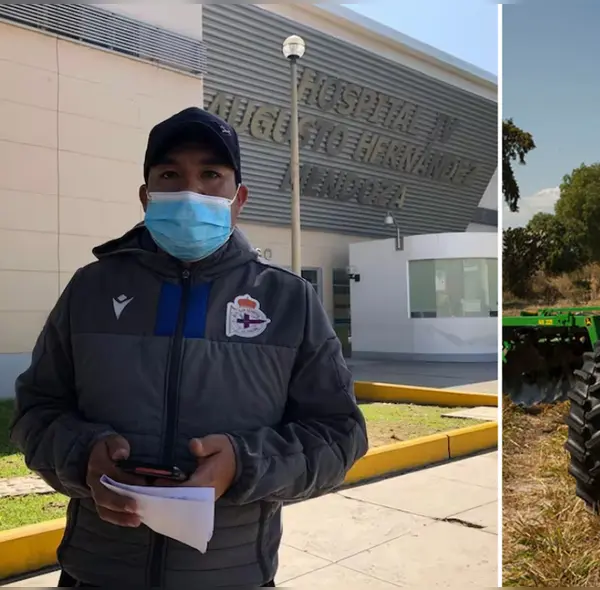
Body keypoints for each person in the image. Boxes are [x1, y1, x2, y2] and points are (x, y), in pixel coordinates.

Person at [9, 107, 369, 587]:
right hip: (97, 572)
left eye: (211, 175)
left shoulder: (288, 300)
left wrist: (244, 463)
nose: (190, 191)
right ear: (146, 195)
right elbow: (36, 411)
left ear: (238, 198)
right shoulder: (90, 290)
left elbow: (340, 434)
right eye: (170, 175)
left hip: (232, 576)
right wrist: (82, 456)